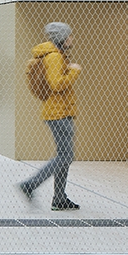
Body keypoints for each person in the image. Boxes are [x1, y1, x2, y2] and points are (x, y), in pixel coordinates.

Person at [18, 21, 81, 211]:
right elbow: (56, 84)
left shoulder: (57, 55)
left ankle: (59, 198)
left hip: (60, 112)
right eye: (69, 35)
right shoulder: (54, 57)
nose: (72, 38)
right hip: (58, 114)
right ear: (61, 38)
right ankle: (30, 184)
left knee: (64, 156)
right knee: (66, 156)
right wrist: (73, 72)